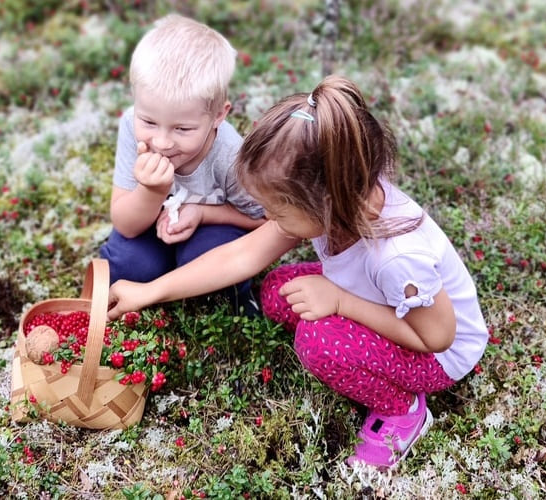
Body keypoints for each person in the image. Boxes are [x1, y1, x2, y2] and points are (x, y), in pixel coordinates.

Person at [107, 75, 489, 470]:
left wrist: (340, 302)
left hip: (438, 355)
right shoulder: (339, 204)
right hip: (388, 303)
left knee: (318, 340)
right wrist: (150, 291)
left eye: (277, 210)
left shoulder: (396, 258)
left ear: (323, 203)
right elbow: (241, 257)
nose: (268, 218)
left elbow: (438, 337)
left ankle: (402, 410)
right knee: (277, 289)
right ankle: (351, 337)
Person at [98, 14, 266, 313]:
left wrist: (202, 214)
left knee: (207, 267)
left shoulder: (230, 155)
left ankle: (235, 299)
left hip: (214, 228)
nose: (161, 142)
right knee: (126, 265)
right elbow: (125, 222)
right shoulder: (130, 127)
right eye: (148, 121)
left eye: (182, 129)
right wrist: (152, 192)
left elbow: (263, 221)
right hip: (149, 224)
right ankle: (161, 280)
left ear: (218, 115)